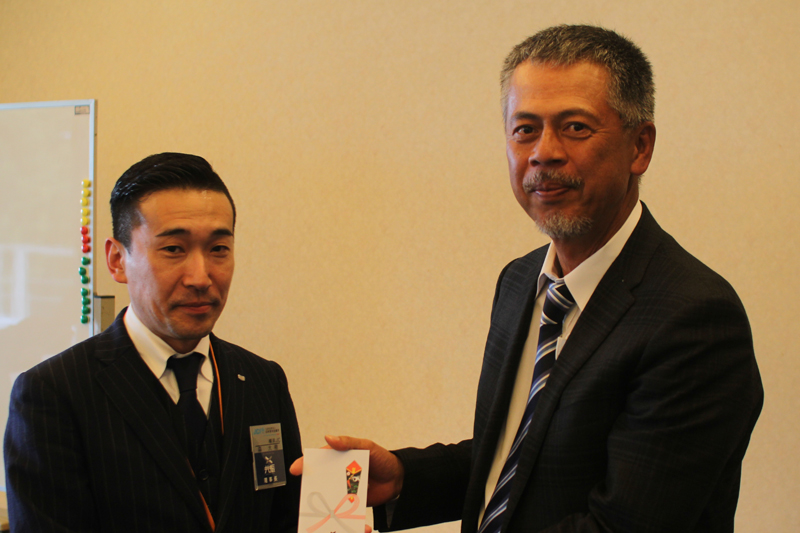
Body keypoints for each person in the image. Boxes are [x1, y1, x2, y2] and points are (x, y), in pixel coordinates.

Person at [293, 25, 763, 532]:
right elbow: (521, 455)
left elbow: (622, 526)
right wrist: (408, 477)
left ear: (640, 146)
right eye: (524, 130)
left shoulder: (695, 319)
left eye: (575, 127)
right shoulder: (520, 281)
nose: (544, 153)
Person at [4, 153, 302, 532]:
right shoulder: (53, 394)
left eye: (218, 249)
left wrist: (347, 502)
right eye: (174, 249)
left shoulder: (262, 381)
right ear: (117, 260)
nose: (200, 277)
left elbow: (288, 519)